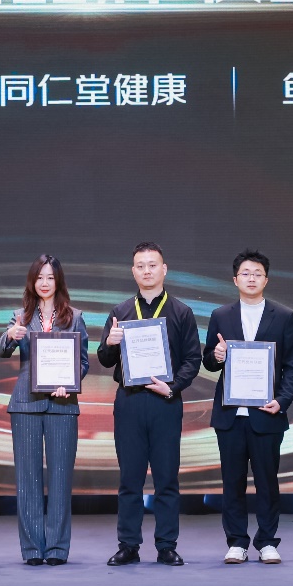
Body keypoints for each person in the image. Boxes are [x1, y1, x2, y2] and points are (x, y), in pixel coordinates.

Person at [96, 242, 202, 567]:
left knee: (167, 478)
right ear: (133, 272)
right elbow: (104, 358)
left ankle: (166, 545)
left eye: (152, 265)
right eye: (140, 266)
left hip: (165, 402)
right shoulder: (120, 312)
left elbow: (193, 359)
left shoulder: (181, 312)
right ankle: (128, 545)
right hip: (129, 402)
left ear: (164, 269)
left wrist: (172, 387)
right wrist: (110, 343)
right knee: (130, 479)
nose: (147, 271)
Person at [201, 249, 293, 565]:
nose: (251, 278)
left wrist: (282, 401)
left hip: (266, 413)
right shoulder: (221, 315)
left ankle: (267, 541)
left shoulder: (283, 316)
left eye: (257, 273)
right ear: (235, 280)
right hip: (230, 415)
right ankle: (236, 542)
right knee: (231, 481)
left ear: (266, 280)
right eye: (245, 273)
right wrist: (216, 355)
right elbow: (208, 360)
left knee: (267, 481)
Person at [0, 254, 90, 566]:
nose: (45, 283)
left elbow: (83, 362)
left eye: (50, 277)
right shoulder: (19, 316)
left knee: (61, 479)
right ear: (32, 281)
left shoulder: (75, 317)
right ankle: (33, 548)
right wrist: (10, 335)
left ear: (58, 281)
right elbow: (0, 351)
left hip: (63, 404)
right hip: (26, 403)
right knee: (28, 479)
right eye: (39, 277)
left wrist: (70, 383)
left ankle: (58, 548)